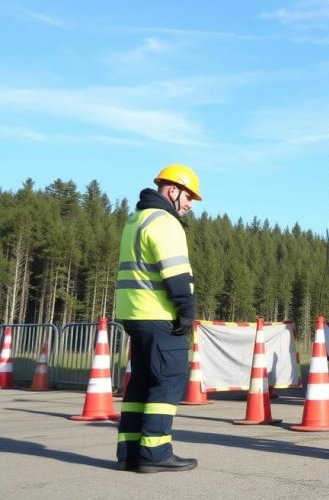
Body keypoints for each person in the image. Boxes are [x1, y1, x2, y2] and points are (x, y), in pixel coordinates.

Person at [114, 164, 201, 473]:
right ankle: (155, 452)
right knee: (169, 380)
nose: (190, 204)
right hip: (160, 315)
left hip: (134, 315)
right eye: (189, 196)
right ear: (173, 191)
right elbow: (176, 275)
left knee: (141, 383)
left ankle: (130, 452)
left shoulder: (135, 218)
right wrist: (187, 312)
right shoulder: (165, 222)